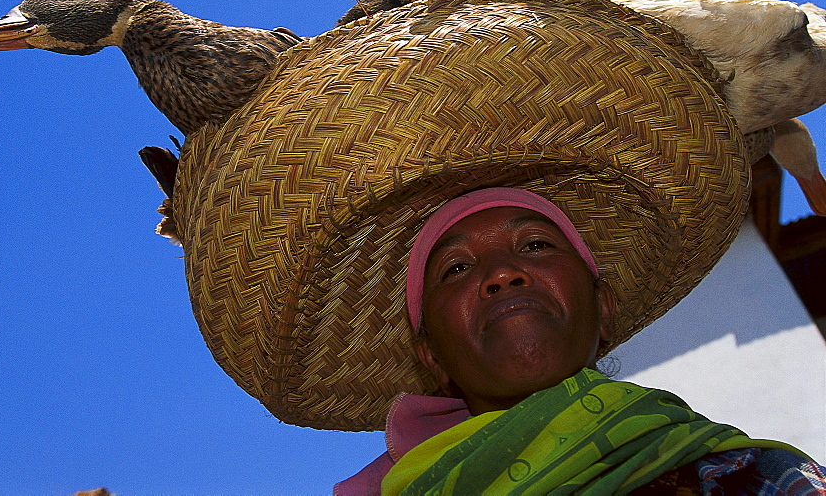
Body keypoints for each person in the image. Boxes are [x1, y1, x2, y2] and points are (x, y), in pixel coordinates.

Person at [336, 188, 826, 494]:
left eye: (535, 245)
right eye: (457, 268)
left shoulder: (748, 474)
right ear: (432, 356)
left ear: (604, 310)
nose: (502, 274)